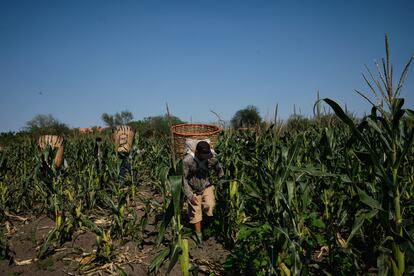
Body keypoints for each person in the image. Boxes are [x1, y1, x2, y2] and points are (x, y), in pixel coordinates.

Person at [183, 141, 224, 244]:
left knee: (210, 205)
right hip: (193, 190)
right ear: (196, 152)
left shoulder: (210, 158)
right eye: (203, 155)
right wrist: (190, 195)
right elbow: (183, 179)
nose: (205, 157)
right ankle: (198, 235)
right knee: (195, 212)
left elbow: (218, 168)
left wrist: (221, 181)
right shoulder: (187, 161)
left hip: (206, 186)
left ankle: (206, 225)